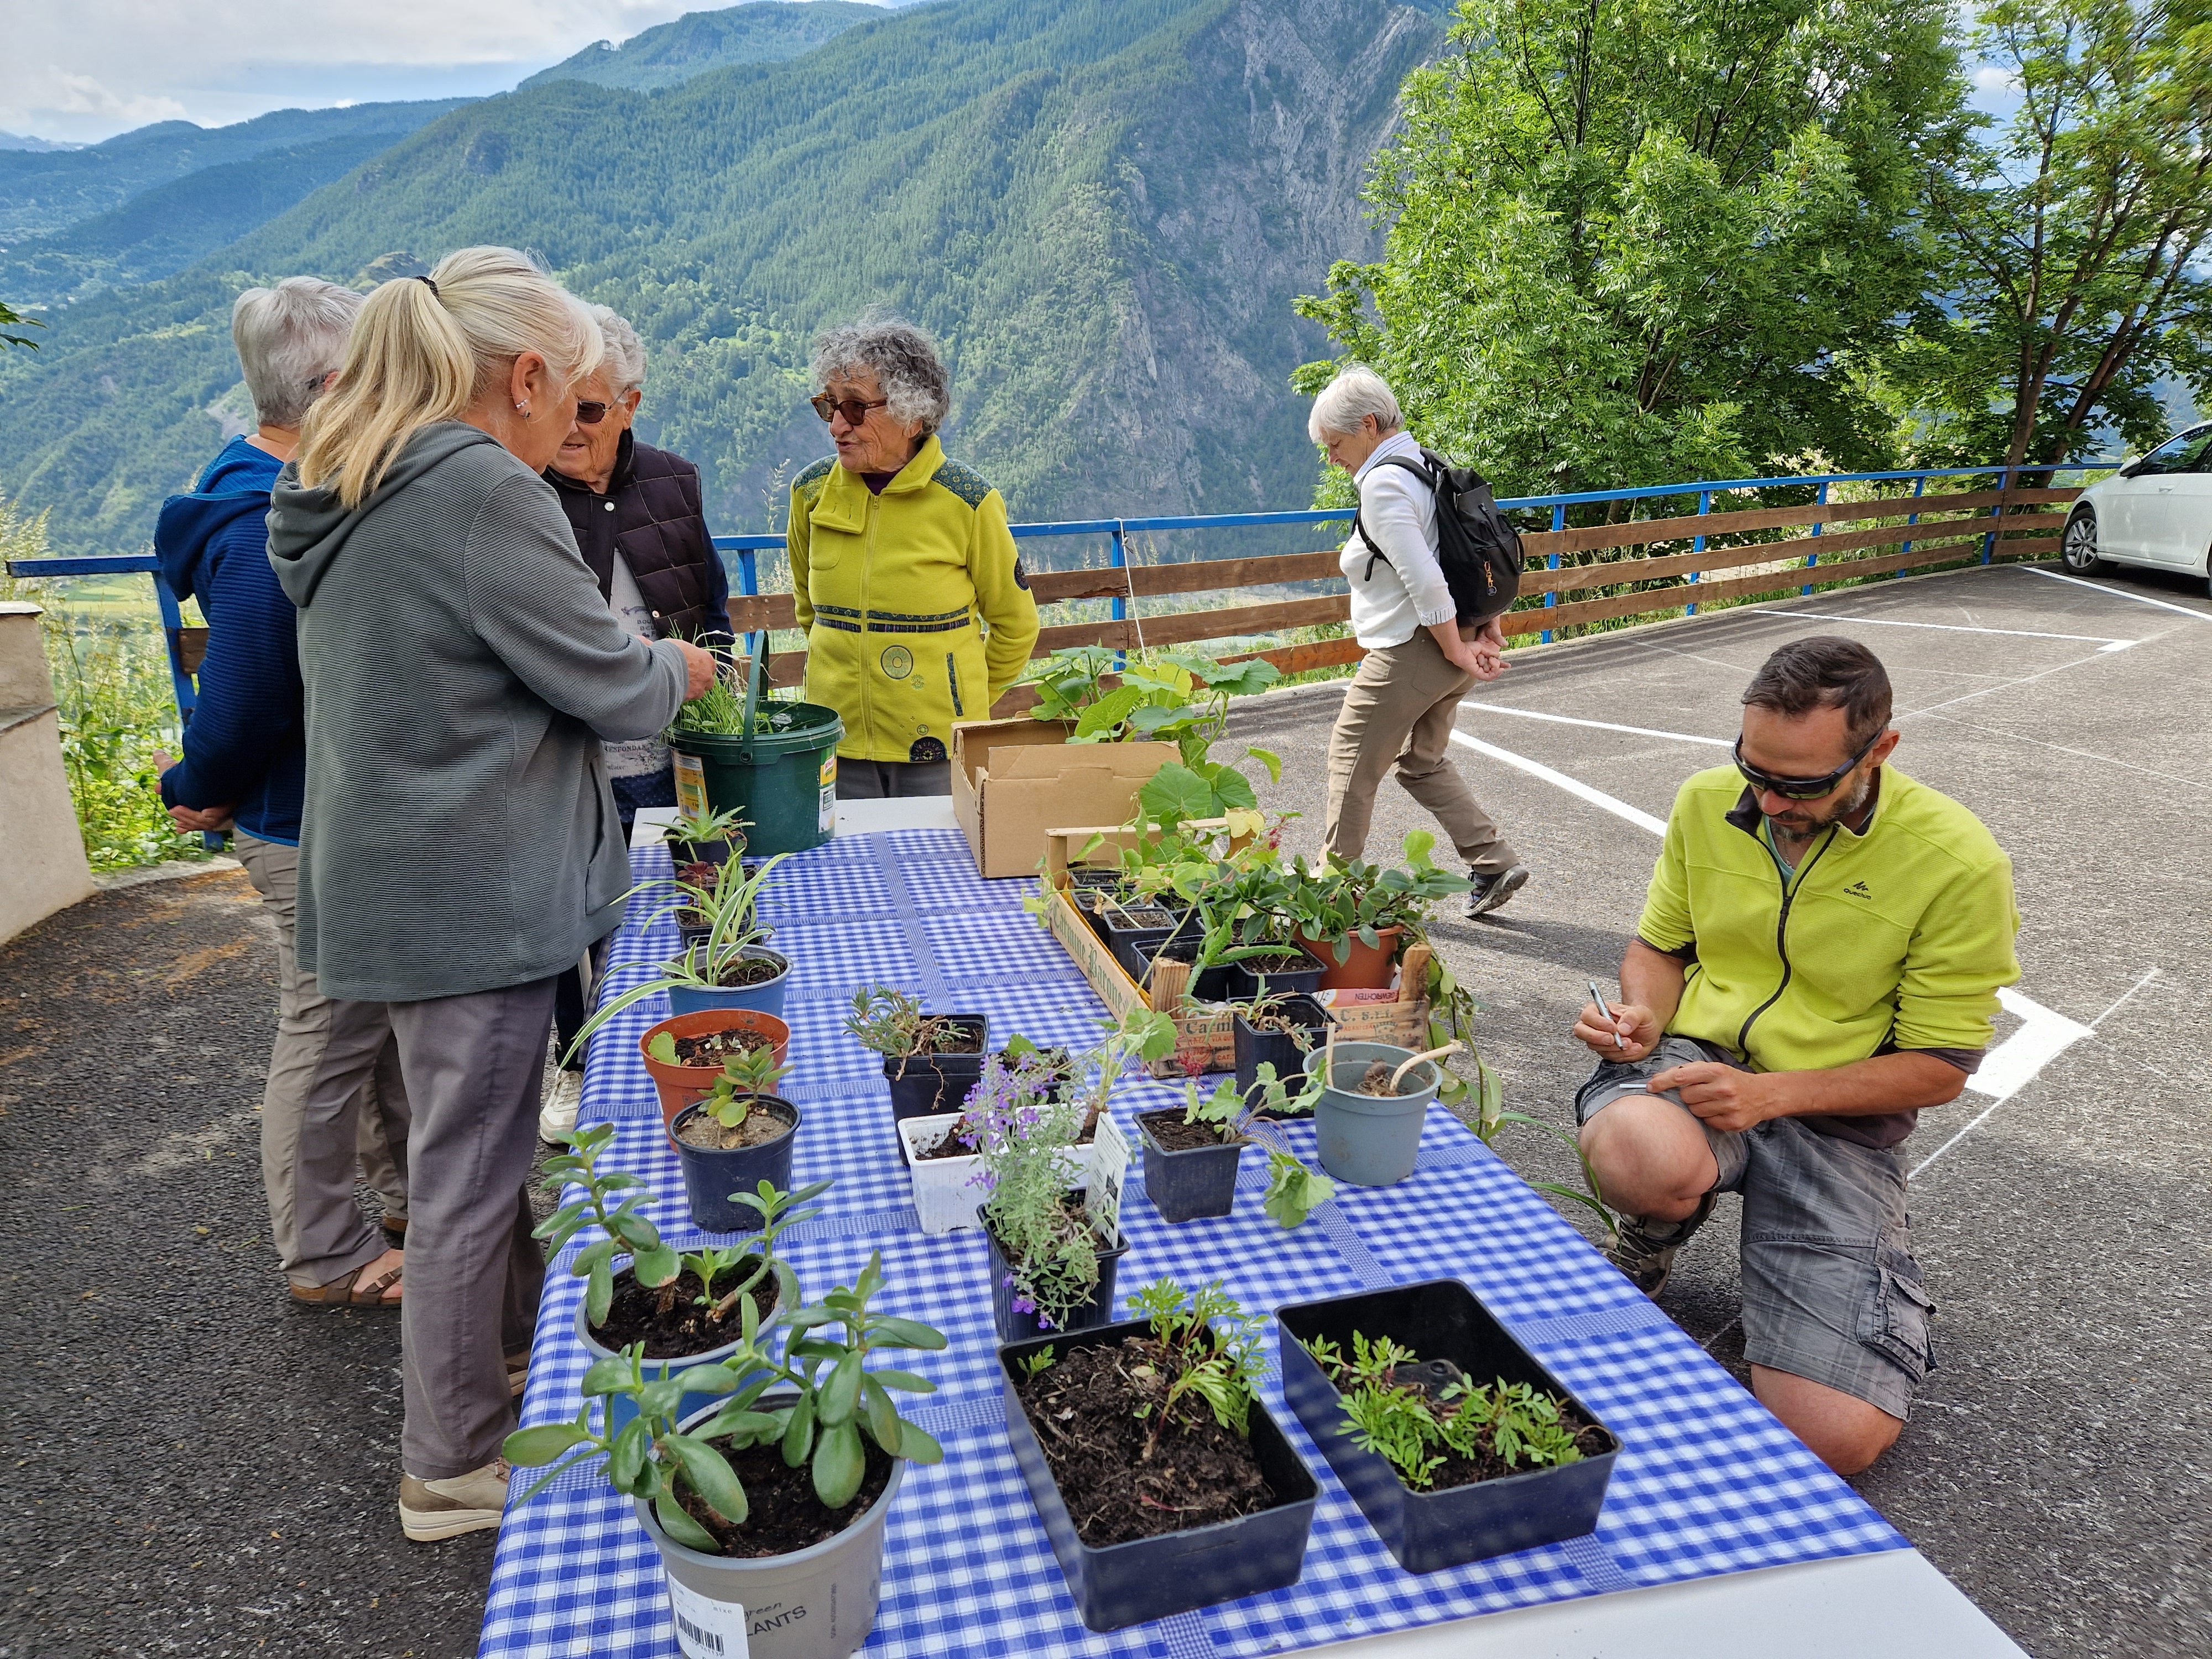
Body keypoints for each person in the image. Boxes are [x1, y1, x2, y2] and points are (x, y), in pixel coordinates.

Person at [267, 246, 717, 1542]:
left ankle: (499, 1365)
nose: (580, 433)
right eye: (575, 403)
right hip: (470, 887)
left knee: (467, 1157)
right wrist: (676, 665)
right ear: (523, 378)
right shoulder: (478, 491)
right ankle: (452, 1466)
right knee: (472, 1175)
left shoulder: (357, 476)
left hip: (391, 877)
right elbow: (611, 684)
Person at [1571, 637, 2019, 1476]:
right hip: (1698, 1064)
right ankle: (1659, 1224)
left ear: (1879, 751)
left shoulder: (1958, 863)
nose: (1770, 801)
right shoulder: (1708, 803)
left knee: (1834, 1438)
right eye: (1755, 772)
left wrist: (1771, 1095)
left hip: (1834, 1118)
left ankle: (1871, 1284)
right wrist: (1641, 1013)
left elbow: (1942, 1066)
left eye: (1802, 784)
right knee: (1637, 1149)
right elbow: (1660, 947)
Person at [154, 276, 413, 1310]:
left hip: (320, 812)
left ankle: (400, 1204)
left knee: (376, 1018)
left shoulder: (273, 488)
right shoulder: (262, 522)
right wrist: (197, 784)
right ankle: (322, 1253)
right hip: (302, 821)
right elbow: (252, 690)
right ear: (336, 383)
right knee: (329, 1030)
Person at [539, 304, 732, 1142]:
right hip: (566, 758)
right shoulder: (518, 492)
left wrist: (715, 686)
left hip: (670, 751)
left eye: (589, 411)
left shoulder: (673, 480)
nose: (568, 430)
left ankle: (690, 1046)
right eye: (557, 407)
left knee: (682, 904)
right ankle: (580, 1062)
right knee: (569, 922)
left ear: (631, 404)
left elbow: (708, 604)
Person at [786, 313, 1039, 798]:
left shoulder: (968, 502)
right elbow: (808, 612)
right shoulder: (810, 494)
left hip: (937, 747)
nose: (838, 425)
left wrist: (964, 706)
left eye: (857, 408)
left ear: (912, 415)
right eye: (829, 406)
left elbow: (1016, 624)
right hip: (836, 742)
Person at [1309, 367, 1529, 918]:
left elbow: (1426, 579)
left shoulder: (1385, 483)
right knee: (1421, 762)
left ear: (1367, 425)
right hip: (1453, 639)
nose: (1332, 457)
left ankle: (1333, 896)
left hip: (1416, 648)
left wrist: (1456, 649)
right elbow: (1475, 552)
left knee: (1351, 759)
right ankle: (1492, 862)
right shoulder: (1426, 463)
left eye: (1335, 444)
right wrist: (1486, 626)